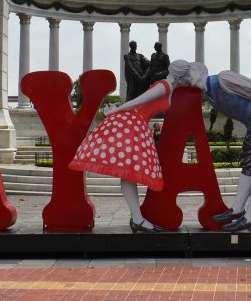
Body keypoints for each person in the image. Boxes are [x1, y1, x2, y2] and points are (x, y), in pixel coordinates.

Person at [166, 60, 251, 232]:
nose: (187, 79)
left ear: (201, 72)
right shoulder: (208, 94)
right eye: (185, 77)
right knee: (247, 165)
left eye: (190, 74)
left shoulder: (222, 79)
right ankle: (238, 211)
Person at [69, 74, 173, 232]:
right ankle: (137, 219)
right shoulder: (165, 85)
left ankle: (137, 218)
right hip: (132, 123)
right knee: (127, 172)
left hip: (135, 123)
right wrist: (117, 110)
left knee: (128, 173)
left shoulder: (170, 86)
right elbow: (136, 102)